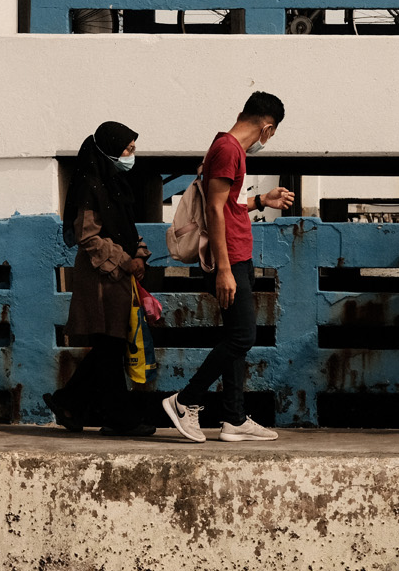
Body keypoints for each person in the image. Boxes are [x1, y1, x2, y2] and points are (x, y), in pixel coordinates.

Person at [162, 92, 294, 442]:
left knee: (235, 337)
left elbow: (231, 204)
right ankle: (184, 401)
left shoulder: (228, 150)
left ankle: (233, 418)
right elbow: (213, 212)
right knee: (243, 336)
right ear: (268, 129)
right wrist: (223, 269)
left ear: (242, 113)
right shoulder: (227, 150)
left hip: (238, 256)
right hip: (229, 259)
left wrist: (262, 200)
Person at [45, 121, 156, 436]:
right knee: (109, 347)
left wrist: (139, 256)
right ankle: (119, 419)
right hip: (100, 280)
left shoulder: (115, 184)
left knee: (110, 347)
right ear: (109, 148)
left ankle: (70, 403)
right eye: (127, 149)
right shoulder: (90, 185)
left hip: (117, 280)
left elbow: (127, 231)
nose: (131, 155)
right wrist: (126, 261)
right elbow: (88, 236)